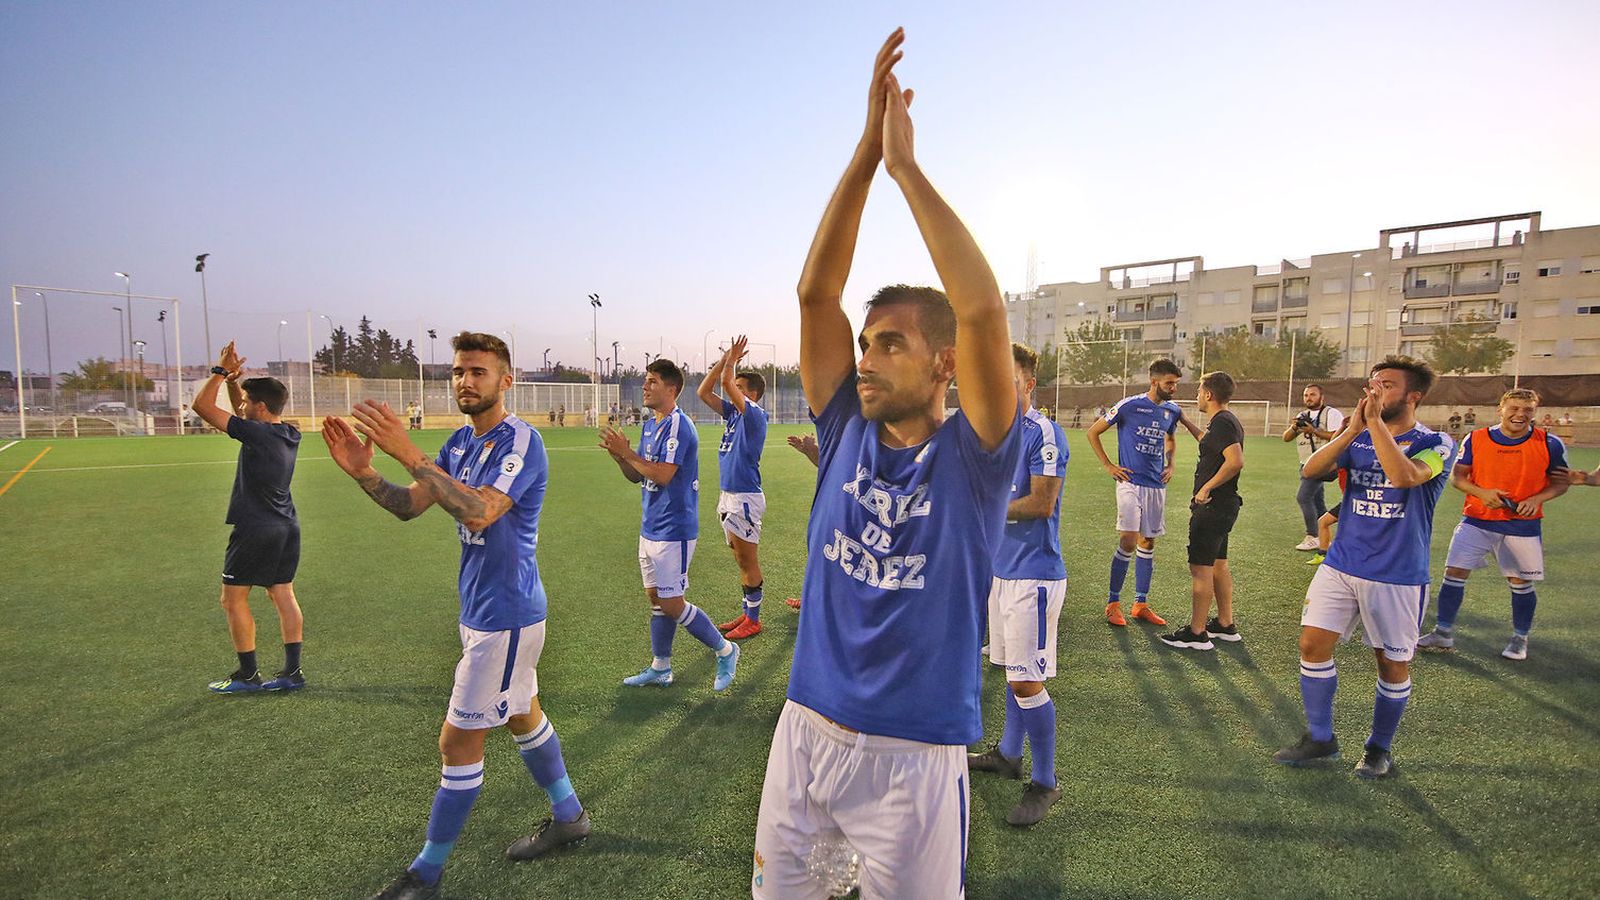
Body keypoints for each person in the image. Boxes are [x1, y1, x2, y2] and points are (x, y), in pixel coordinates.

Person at [751, 29, 1022, 899]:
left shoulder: (976, 457)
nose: (864, 359)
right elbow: (815, 294)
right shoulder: (845, 432)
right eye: (865, 344)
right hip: (805, 731)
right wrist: (863, 152)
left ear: (944, 364)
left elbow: (980, 309)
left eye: (891, 344)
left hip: (913, 753)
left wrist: (906, 169)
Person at [323, 332, 589, 899]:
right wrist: (364, 473)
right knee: (522, 715)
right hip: (482, 611)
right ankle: (569, 816)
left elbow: (479, 513)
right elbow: (410, 505)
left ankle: (426, 875)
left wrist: (407, 452)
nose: (466, 381)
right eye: (459, 371)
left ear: (506, 380)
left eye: (478, 372)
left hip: (507, 616)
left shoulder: (522, 441)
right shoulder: (460, 443)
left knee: (457, 744)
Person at [1274, 356, 1455, 779]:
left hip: (1396, 573)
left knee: (1390, 663)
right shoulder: (1356, 436)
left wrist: (1373, 426)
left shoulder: (1437, 442)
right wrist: (1353, 429)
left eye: (1387, 385)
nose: (1374, 391)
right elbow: (1312, 470)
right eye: (1372, 384)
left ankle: (1379, 749)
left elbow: (1405, 476)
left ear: (1414, 396)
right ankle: (1321, 739)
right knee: (1311, 646)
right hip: (1341, 563)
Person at [967, 343, 1067, 826]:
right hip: (1002, 572)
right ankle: (1009, 754)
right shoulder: (993, 435)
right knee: (1009, 668)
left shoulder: (1041, 432)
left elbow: (1042, 502)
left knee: (1027, 679)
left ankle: (1046, 782)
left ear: (1028, 384)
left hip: (1034, 574)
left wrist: (981, 509)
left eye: (1007, 380)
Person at [599, 358, 741, 691]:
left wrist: (629, 454)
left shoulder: (679, 425)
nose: (645, 387)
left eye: (652, 381)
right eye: (646, 381)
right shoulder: (650, 425)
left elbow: (663, 475)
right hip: (650, 525)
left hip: (674, 529)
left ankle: (726, 649)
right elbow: (638, 476)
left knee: (672, 602)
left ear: (671, 388)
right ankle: (661, 668)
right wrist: (621, 457)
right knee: (656, 598)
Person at [1418, 389, 1570, 660]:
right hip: (1476, 520)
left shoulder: (1550, 443)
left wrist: (1537, 498)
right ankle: (1443, 632)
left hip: (1522, 525)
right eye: (1514, 408)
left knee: (1520, 583)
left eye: (1527, 409)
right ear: (1500, 409)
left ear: (1534, 412)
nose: (1520, 415)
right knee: (1454, 573)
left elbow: (1560, 482)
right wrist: (1482, 493)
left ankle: (1520, 638)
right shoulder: (1476, 438)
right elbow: (1458, 478)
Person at [190, 341, 306, 694]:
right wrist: (234, 383)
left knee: (232, 598)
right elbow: (242, 413)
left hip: (257, 526)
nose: (240, 406)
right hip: (287, 525)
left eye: (245, 402)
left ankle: (248, 675)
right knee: (282, 593)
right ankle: (292, 672)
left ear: (261, 406)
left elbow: (201, 406)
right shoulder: (288, 432)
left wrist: (221, 372)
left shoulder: (256, 434)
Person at [1085, 359, 1183, 627]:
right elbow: (1093, 432)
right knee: (1128, 539)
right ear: (1154, 382)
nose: (1174, 388)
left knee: (1148, 542)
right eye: (1169, 383)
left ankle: (1140, 604)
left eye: (1175, 383)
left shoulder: (1173, 411)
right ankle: (1113, 602)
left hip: (1156, 485)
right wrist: (1108, 465)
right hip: (1129, 482)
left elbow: (1171, 438)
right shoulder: (1130, 405)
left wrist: (1171, 464)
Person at [1161, 371, 1245, 650]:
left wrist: (1206, 488)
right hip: (1224, 506)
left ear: (1208, 394)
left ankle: (1197, 633)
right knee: (1219, 565)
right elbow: (1208, 442)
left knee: (1201, 569)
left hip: (1212, 507)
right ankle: (1224, 624)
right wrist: (1184, 420)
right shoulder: (1224, 422)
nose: (1197, 394)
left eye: (1199, 390)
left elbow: (1235, 461)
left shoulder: (1223, 423)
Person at [695, 335, 771, 640]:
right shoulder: (733, 415)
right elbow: (704, 391)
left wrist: (731, 362)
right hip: (729, 495)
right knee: (740, 558)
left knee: (747, 560)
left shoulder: (754, 415)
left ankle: (754, 620)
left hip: (744, 497)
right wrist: (724, 360)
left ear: (752, 395)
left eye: (740, 390)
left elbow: (725, 384)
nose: (733, 393)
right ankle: (746, 613)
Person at [1282, 384, 1345, 551]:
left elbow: (1337, 436)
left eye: (1312, 394)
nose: (1308, 398)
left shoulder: (1331, 414)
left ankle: (1313, 535)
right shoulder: (1302, 415)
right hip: (1305, 463)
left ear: (1321, 397)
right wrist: (1295, 427)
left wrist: (1314, 431)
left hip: (1324, 464)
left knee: (1303, 497)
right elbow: (1286, 438)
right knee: (1317, 500)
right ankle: (1325, 537)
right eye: (1306, 395)